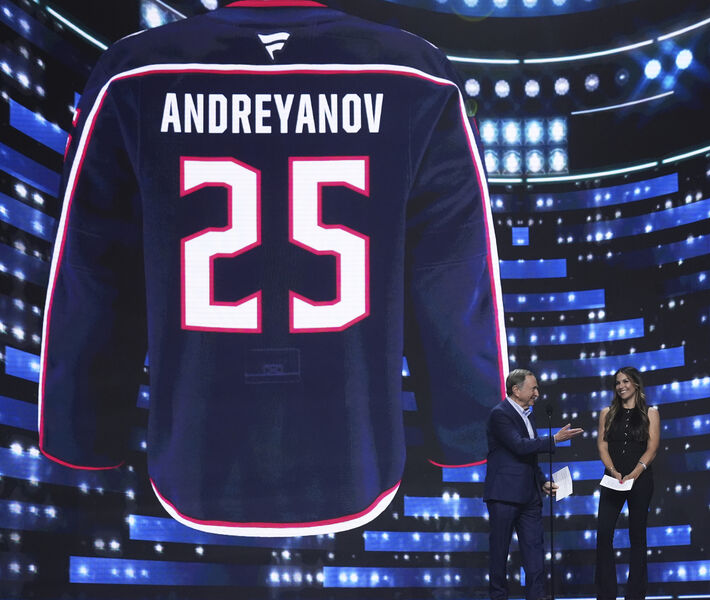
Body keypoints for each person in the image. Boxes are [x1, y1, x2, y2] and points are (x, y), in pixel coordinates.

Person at [39, 0, 507, 537]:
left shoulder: (134, 71)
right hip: (354, 463)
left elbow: (93, 270)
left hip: (195, 465)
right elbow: (453, 272)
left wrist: (83, 437)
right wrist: (470, 434)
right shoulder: (415, 73)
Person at [484, 368, 584, 600]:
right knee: (499, 553)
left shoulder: (528, 415)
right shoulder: (500, 414)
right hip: (504, 495)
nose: (537, 393)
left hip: (530, 496)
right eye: (533, 388)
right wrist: (554, 439)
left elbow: (529, 457)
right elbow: (518, 446)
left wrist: (542, 481)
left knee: (535, 554)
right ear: (516, 390)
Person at [595, 366, 660, 600]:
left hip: (640, 479)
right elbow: (602, 446)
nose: (621, 386)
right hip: (613, 479)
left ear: (635, 384)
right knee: (604, 534)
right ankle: (606, 594)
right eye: (617, 382)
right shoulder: (607, 413)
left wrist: (635, 472)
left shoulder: (650, 413)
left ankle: (635, 594)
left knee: (637, 536)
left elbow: (652, 448)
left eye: (625, 381)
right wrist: (614, 471)